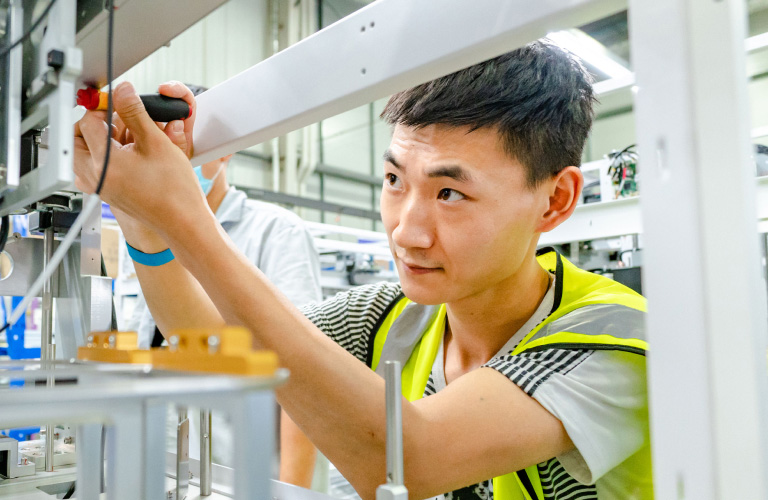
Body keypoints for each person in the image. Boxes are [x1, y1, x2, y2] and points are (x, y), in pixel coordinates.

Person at [73, 40, 651, 499]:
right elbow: (216, 341)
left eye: (450, 193)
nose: (406, 231)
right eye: (395, 180)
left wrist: (184, 216)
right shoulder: (387, 317)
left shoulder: (617, 336)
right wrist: (144, 223)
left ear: (554, 201)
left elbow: (409, 460)